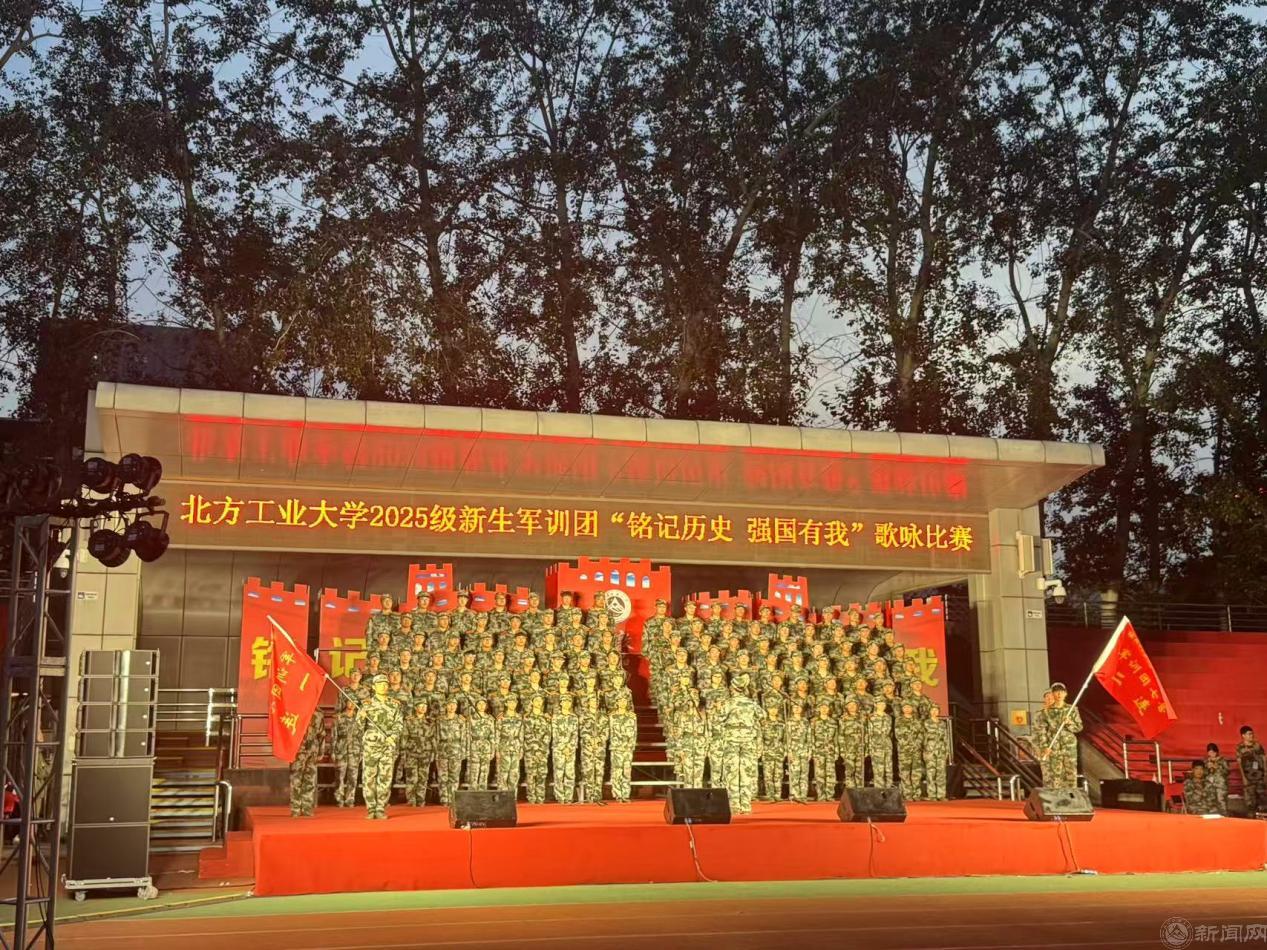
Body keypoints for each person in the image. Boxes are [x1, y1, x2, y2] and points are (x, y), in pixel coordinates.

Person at [358, 673, 403, 820]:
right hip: (371, 746)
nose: (383, 686)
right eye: (379, 684)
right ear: (373, 687)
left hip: (387, 745)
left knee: (385, 777)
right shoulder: (367, 705)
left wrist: (393, 737)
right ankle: (371, 808)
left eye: (385, 684)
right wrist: (361, 717)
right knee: (369, 777)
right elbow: (358, 728)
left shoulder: (394, 704)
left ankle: (380, 808)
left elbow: (399, 724)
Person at [717, 671, 763, 813]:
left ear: (733, 688)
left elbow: (719, 718)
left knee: (732, 772)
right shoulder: (752, 703)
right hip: (748, 739)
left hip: (732, 740)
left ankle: (735, 805)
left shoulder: (729, 703)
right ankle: (746, 805)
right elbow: (762, 715)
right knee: (746, 772)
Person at [1038, 682, 1082, 790]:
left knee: (1071, 776)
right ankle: (1058, 798)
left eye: (1061, 692)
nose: (1059, 694)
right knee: (1056, 777)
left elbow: (1079, 727)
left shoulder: (1072, 709)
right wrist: (1045, 747)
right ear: (1052, 694)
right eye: (1056, 692)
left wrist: (1069, 723)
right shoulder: (1046, 712)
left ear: (1065, 694)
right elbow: (1042, 731)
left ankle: (1071, 798)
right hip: (1054, 748)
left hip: (1069, 748)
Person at [289, 706, 326, 817]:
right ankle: (295, 808)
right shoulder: (296, 710)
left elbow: (322, 734)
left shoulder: (319, 713)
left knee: (310, 779)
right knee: (296, 779)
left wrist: (321, 751)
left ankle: (307, 807)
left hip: (313, 750)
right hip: (298, 748)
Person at [401, 701, 435, 807]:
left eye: (425, 706)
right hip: (412, 752)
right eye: (421, 706)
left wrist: (434, 752)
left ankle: (421, 800)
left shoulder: (430, 721)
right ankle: (411, 800)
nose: (423, 708)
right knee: (412, 777)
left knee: (423, 777)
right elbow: (404, 737)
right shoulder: (409, 721)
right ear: (416, 708)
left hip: (426, 752)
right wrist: (403, 752)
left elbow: (433, 738)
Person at [331, 698, 363, 808]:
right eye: (350, 701)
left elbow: (361, 736)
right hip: (341, 750)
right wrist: (333, 751)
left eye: (354, 702)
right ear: (346, 703)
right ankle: (339, 799)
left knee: (352, 777)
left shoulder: (359, 719)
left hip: (355, 750)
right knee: (339, 776)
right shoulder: (339, 718)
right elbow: (334, 736)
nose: (352, 704)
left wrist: (361, 752)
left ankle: (350, 799)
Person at [436, 698, 468, 804]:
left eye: (454, 704)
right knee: (443, 776)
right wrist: (436, 751)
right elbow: (436, 736)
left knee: (454, 776)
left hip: (456, 750)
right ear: (446, 706)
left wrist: (463, 751)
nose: (451, 707)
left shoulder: (460, 720)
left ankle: (453, 798)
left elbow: (464, 737)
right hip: (442, 749)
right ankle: (444, 799)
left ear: (456, 706)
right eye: (449, 704)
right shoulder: (440, 720)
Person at [578, 694, 609, 802]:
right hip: (588, 748)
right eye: (591, 701)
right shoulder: (583, 716)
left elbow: (606, 731)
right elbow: (581, 730)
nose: (594, 703)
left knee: (599, 771)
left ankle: (597, 795)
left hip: (600, 747)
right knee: (588, 771)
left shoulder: (603, 716)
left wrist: (599, 739)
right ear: (588, 703)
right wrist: (590, 739)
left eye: (595, 701)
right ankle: (589, 795)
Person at [608, 693, 637, 802]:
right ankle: (617, 794)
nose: (622, 703)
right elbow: (610, 732)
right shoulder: (612, 716)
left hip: (627, 748)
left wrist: (631, 745)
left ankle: (625, 794)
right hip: (616, 748)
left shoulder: (632, 716)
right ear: (616, 702)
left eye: (624, 701)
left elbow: (634, 732)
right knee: (617, 771)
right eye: (620, 701)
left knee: (626, 771)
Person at [522, 695, 552, 804]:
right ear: (532, 702)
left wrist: (541, 748)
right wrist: (535, 748)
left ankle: (540, 798)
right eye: (536, 700)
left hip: (542, 751)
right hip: (530, 751)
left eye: (540, 700)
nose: (538, 703)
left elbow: (548, 734)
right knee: (531, 774)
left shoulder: (546, 718)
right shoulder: (527, 718)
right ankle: (531, 797)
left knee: (541, 774)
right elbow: (526, 734)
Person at [551, 695, 580, 803]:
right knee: (559, 773)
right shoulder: (556, 717)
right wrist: (563, 747)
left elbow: (575, 734)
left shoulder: (574, 717)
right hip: (559, 749)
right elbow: (555, 734)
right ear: (561, 703)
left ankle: (568, 797)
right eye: (564, 701)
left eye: (569, 701)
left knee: (570, 773)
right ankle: (560, 797)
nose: (567, 703)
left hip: (570, 750)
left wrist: (569, 747)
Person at [894, 700, 925, 800]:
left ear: (912, 708)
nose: (907, 709)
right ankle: (907, 794)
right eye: (905, 707)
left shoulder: (917, 720)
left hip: (916, 750)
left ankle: (917, 794)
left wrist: (917, 743)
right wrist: (907, 744)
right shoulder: (899, 720)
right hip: (904, 750)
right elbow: (898, 734)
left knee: (916, 772)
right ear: (902, 709)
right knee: (905, 773)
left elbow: (921, 733)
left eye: (909, 707)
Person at [496, 695, 525, 795]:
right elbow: (497, 734)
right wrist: (497, 750)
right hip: (504, 746)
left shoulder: (519, 717)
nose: (512, 704)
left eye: (514, 702)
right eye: (510, 702)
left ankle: (512, 795)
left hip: (516, 746)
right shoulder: (501, 717)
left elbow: (521, 733)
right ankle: (503, 795)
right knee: (503, 772)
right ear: (506, 703)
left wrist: (521, 749)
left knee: (514, 773)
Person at [759, 699, 786, 802]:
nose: (773, 710)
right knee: (768, 775)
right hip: (767, 751)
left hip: (779, 751)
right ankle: (770, 795)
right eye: (771, 708)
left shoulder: (782, 723)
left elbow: (785, 738)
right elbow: (760, 737)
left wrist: (785, 750)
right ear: (767, 709)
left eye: (775, 708)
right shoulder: (763, 723)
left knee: (778, 774)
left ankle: (777, 795)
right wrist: (761, 750)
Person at [810, 701, 838, 801]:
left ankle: (829, 795)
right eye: (822, 707)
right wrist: (812, 751)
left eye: (826, 707)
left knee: (830, 774)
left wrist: (837, 751)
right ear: (819, 709)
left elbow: (836, 738)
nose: (824, 709)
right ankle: (821, 795)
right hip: (818, 751)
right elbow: (811, 737)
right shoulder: (814, 722)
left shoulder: (833, 722)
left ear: (829, 709)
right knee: (819, 774)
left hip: (830, 750)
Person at [467, 698, 497, 791]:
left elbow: (492, 735)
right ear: (476, 706)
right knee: (474, 769)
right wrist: (467, 749)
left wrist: (492, 750)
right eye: (479, 704)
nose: (481, 706)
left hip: (486, 746)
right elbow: (468, 734)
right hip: (474, 745)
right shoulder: (471, 718)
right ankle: (473, 790)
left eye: (483, 704)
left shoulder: (490, 719)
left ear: (486, 706)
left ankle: (482, 790)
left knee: (485, 770)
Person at [1236, 725, 1266, 817]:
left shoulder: (1257, 746)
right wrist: (1243, 778)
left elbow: (1264, 759)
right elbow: (1239, 763)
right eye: (1249, 734)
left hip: (1260, 777)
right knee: (1250, 803)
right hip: (1248, 778)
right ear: (1243, 735)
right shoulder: (1240, 748)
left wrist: (1265, 774)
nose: (1251, 736)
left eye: (1252, 734)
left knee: (1262, 801)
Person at [923, 704, 949, 800]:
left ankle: (941, 795)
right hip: (930, 749)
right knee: (930, 773)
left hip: (941, 749)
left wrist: (947, 750)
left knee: (941, 773)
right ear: (929, 712)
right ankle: (932, 795)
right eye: (932, 710)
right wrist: (924, 750)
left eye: (936, 710)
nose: (934, 712)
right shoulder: (926, 723)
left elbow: (945, 738)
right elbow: (923, 737)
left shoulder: (942, 723)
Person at [865, 699, 893, 788]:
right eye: (880, 704)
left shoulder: (888, 717)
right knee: (878, 769)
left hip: (887, 744)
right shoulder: (871, 717)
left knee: (889, 767)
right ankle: (879, 788)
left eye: (883, 704)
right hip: (876, 745)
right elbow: (868, 733)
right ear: (875, 705)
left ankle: (889, 787)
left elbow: (890, 732)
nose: (882, 706)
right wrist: (869, 747)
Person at [1204, 743, 1229, 815]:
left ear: (1216, 752)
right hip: (1209, 785)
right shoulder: (1206, 761)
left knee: (1221, 802)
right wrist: (1207, 768)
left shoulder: (1223, 760)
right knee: (1211, 802)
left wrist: (1216, 767)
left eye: (1213, 752)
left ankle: (1224, 816)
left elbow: (1227, 772)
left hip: (1220, 785)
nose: (1211, 754)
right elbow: (1203, 774)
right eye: (1209, 752)